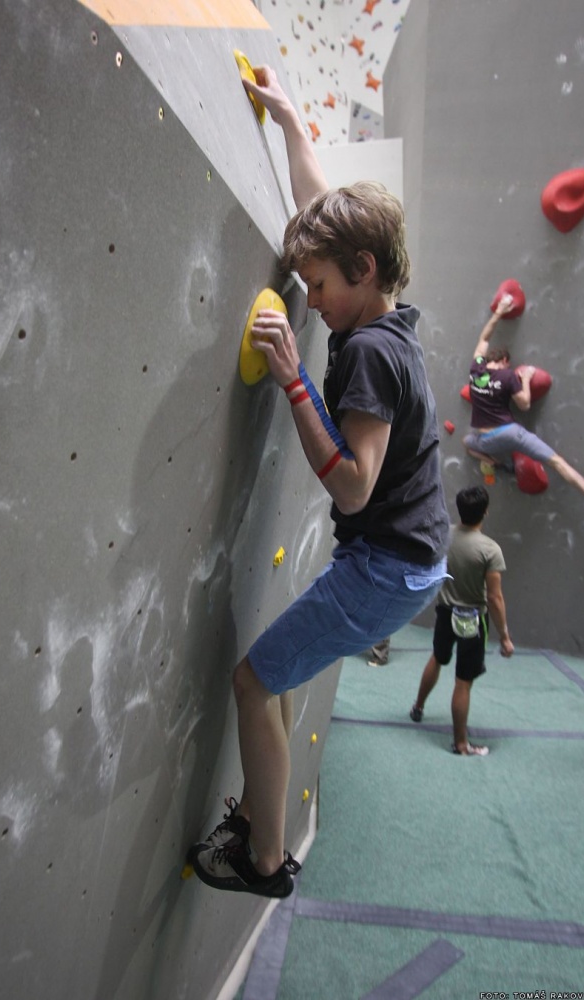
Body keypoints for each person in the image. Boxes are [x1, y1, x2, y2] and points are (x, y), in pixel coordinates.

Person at [188, 66, 450, 899]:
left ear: (364, 269)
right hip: (406, 561)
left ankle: (263, 860)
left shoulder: (367, 354)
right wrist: (290, 121)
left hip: (385, 566)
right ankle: (262, 817)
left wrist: (295, 381)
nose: (313, 299)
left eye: (321, 287)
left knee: (251, 681)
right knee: (277, 676)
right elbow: (318, 205)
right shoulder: (382, 309)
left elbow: (354, 489)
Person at [409, 485, 514, 756]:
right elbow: (495, 598)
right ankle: (460, 744)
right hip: (473, 620)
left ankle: (418, 707)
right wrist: (504, 636)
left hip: (445, 612)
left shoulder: (444, 534)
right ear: (485, 512)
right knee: (463, 683)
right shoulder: (490, 550)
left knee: (437, 658)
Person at [463, 295, 584, 507]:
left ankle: (496, 463)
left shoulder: (476, 370)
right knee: (556, 462)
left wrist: (499, 312)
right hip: (511, 433)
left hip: (487, 440)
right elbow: (524, 404)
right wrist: (524, 379)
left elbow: (484, 339)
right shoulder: (508, 376)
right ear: (504, 361)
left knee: (467, 444)